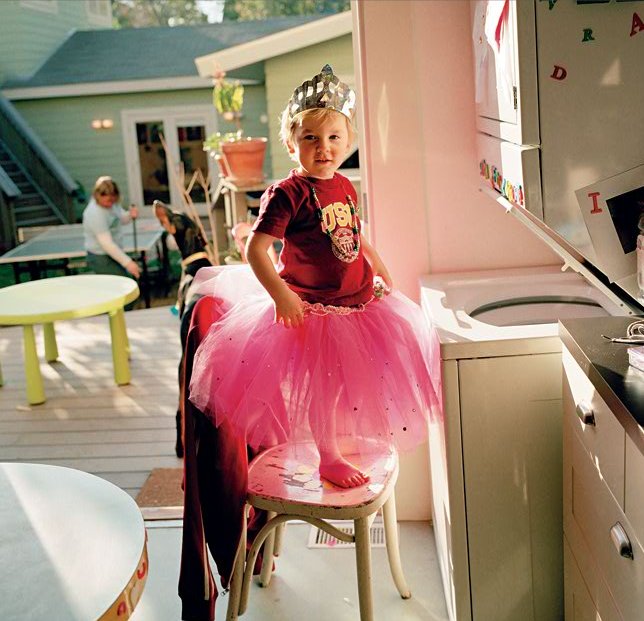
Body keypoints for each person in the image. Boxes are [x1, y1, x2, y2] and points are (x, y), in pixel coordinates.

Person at [188, 65, 438, 488]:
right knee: (324, 386)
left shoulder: (344, 184)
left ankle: (337, 439)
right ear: (292, 144)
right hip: (314, 308)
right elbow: (256, 249)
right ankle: (328, 457)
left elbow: (352, 231)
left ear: (348, 143)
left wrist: (376, 261)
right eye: (311, 138)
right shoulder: (288, 194)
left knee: (345, 383)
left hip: (357, 302)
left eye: (334, 138)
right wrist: (281, 295)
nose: (324, 148)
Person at [82, 176, 141, 280]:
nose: (109, 204)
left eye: (112, 200)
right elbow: (106, 244)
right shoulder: (95, 213)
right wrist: (128, 263)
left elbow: (121, 218)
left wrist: (130, 215)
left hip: (114, 252)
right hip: (100, 256)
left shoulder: (113, 204)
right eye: (107, 200)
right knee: (122, 283)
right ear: (97, 196)